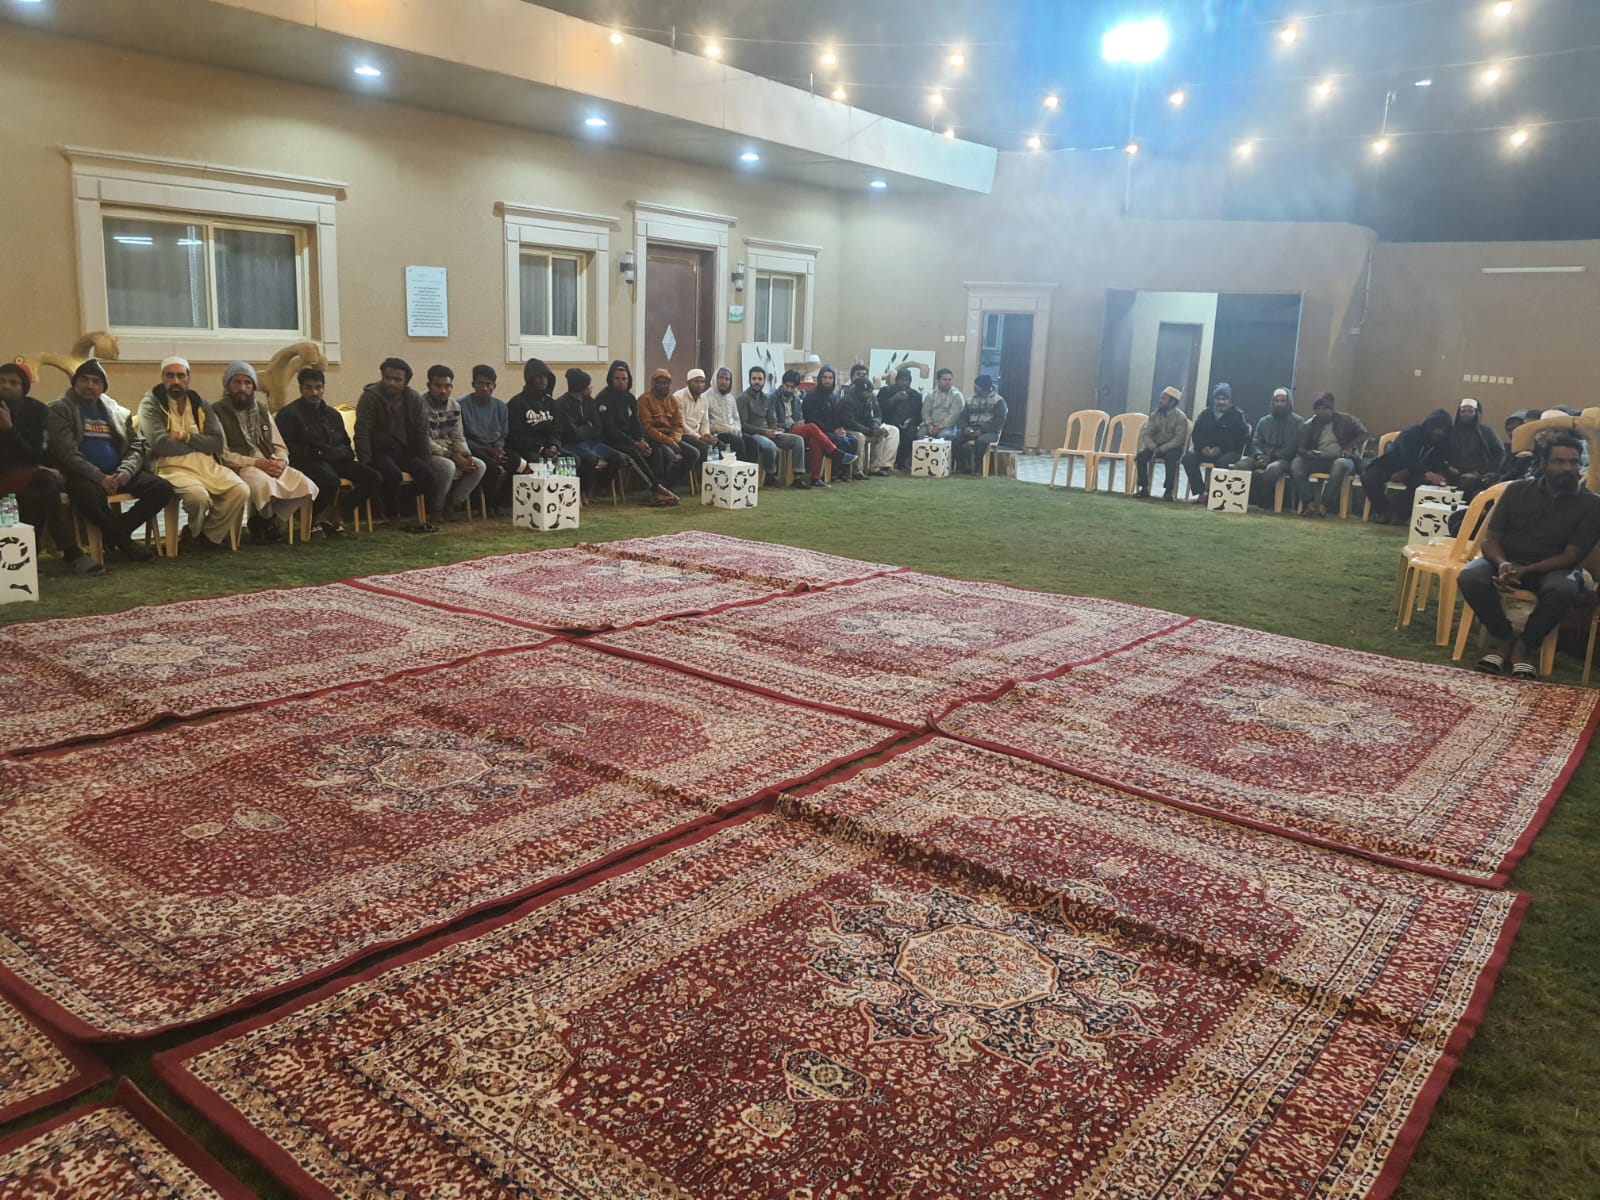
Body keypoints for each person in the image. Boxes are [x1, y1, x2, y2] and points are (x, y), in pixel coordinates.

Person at [1459, 435, 1600, 678]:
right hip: (1508, 561)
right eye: (1559, 461)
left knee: (1563, 588)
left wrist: (1526, 571)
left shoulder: (1591, 504)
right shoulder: (1516, 491)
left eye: (1573, 462)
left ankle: (1526, 645)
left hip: (1556, 568)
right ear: (1543, 463)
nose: (1567, 468)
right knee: (1470, 576)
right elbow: (1490, 539)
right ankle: (1504, 637)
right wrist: (1503, 564)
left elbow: (1572, 555)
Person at [48, 359, 171, 566]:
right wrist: (100, 477)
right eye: (84, 380)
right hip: (83, 476)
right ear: (75, 383)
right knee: (88, 495)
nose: (90, 385)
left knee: (162, 488)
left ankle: (114, 533)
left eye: (96, 381)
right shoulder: (60, 410)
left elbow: (136, 446)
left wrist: (125, 473)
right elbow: (66, 453)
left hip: (118, 473)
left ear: (103, 387)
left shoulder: (117, 412)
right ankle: (127, 544)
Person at [137, 357, 249, 552]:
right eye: (170, 376)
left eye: (181, 376)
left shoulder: (200, 403)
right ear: (163, 378)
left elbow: (216, 442)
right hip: (169, 467)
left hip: (205, 464)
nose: (176, 381)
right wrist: (199, 444)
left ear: (188, 378)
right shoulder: (150, 404)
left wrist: (184, 437)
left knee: (240, 490)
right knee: (198, 497)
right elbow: (160, 445)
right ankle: (196, 534)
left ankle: (205, 536)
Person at [0, 361, 100, 575]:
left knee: (36, 494)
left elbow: (37, 453)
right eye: (2, 381)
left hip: (28, 476)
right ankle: (70, 551)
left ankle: (28, 559)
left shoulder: (36, 410)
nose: (6, 386)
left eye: (13, 382)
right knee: (45, 480)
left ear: (24, 388)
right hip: (7, 475)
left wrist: (10, 430)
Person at [212, 362, 319, 544]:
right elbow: (224, 454)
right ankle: (266, 522)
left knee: (307, 486)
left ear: (254, 386)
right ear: (227, 386)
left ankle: (267, 522)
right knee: (264, 485)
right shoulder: (217, 412)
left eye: (247, 383)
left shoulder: (261, 410)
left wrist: (281, 462)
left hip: (269, 462)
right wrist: (256, 463)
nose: (242, 388)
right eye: (237, 382)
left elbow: (279, 445)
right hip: (241, 466)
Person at [275, 366, 380, 536]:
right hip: (306, 461)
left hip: (334, 459)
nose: (314, 393)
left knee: (374, 477)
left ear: (324, 388)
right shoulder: (288, 414)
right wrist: (320, 453)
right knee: (329, 480)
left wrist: (331, 453)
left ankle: (338, 512)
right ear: (301, 389)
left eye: (318, 387)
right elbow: (289, 449)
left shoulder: (332, 414)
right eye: (309, 388)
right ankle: (313, 519)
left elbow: (346, 446)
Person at [355, 357, 438, 530]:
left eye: (397, 379)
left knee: (428, 476)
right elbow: (362, 431)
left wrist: (425, 461)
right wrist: (365, 462)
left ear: (406, 382)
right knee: (392, 475)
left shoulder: (414, 399)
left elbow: (421, 432)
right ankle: (393, 515)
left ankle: (403, 508)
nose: (391, 383)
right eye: (387, 378)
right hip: (378, 450)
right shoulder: (370, 397)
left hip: (404, 450)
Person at [593, 360, 678, 506]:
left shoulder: (630, 398)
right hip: (609, 440)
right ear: (610, 379)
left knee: (655, 449)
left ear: (629, 380)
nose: (621, 382)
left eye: (624, 379)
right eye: (617, 378)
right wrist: (634, 443)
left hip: (630, 439)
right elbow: (610, 429)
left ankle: (656, 487)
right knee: (633, 453)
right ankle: (656, 488)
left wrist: (641, 440)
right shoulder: (603, 398)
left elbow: (636, 424)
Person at [1359, 408, 1451, 525]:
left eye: (1444, 430)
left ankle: (1400, 515)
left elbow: (1436, 462)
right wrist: (1421, 472)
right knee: (1369, 477)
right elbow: (1408, 456)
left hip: (1418, 471)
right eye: (1438, 428)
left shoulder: (1442, 441)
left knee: (1421, 484)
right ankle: (1383, 511)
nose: (1440, 432)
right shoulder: (1411, 433)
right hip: (1393, 464)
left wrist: (1423, 473)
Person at [554, 367, 628, 503]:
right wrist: (587, 427)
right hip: (570, 445)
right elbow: (571, 434)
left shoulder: (590, 402)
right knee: (590, 459)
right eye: (589, 386)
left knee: (618, 458)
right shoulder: (562, 404)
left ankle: (598, 486)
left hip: (592, 443)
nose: (591, 388)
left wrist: (584, 429)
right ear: (580, 388)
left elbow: (598, 428)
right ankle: (583, 490)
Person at [421, 365, 486, 520]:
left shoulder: (454, 406)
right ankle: (436, 509)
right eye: (438, 386)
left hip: (449, 450)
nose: (443, 390)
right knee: (447, 467)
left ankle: (453, 505)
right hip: (427, 451)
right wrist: (452, 456)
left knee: (479, 466)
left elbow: (458, 436)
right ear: (429, 386)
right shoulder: (419, 405)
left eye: (447, 386)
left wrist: (466, 456)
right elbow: (423, 440)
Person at [1291, 392, 1369, 517]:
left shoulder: (1347, 420)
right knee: (1297, 463)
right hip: (1319, 460)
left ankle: (1324, 505)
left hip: (1344, 459)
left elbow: (1364, 434)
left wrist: (1349, 448)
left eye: (1325, 408)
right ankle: (1309, 503)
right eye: (1318, 409)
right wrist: (1306, 453)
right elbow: (1300, 447)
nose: (1321, 411)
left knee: (1340, 464)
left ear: (1332, 409)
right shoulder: (1309, 425)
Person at [460, 365, 521, 516]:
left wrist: (499, 449)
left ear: (494, 386)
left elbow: (503, 434)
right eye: (480, 383)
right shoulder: (461, 405)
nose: (485, 388)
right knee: (492, 466)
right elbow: (462, 437)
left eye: (489, 384)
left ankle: (503, 501)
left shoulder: (501, 407)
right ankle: (487, 505)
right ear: (473, 384)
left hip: (495, 448)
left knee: (516, 462)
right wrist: (487, 450)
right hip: (473, 449)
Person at [738, 366, 809, 488]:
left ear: (764, 381)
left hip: (769, 432)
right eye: (754, 379)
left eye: (760, 379)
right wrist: (765, 432)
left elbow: (772, 421)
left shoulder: (766, 398)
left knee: (798, 440)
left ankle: (797, 478)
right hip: (752, 434)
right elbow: (743, 425)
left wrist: (776, 429)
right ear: (749, 380)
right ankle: (770, 476)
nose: (757, 382)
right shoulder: (743, 398)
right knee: (770, 446)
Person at [1234, 386, 1303, 508]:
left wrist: (1271, 458)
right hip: (1261, 456)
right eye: (1276, 401)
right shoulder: (1264, 421)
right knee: (1240, 466)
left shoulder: (1297, 422)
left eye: (1283, 401)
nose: (1279, 404)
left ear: (1289, 402)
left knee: (1272, 469)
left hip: (1283, 459)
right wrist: (1259, 455)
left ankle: (1264, 502)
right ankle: (1237, 501)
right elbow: (1255, 442)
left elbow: (1292, 446)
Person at [1182, 383, 1250, 502]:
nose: (1221, 402)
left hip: (1229, 452)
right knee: (1188, 458)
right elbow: (1197, 434)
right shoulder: (1205, 414)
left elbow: (1240, 439)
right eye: (1218, 399)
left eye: (1224, 399)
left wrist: (1221, 449)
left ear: (1229, 401)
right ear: (1214, 400)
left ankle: (1213, 494)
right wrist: (1203, 447)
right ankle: (1201, 492)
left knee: (1223, 463)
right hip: (1206, 451)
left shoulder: (1238, 416)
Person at [775, 370, 841, 487]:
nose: (789, 389)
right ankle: (834, 451)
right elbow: (772, 422)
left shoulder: (796, 400)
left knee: (815, 441)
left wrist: (799, 423)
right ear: (782, 383)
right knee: (811, 427)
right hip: (781, 431)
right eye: (787, 386)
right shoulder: (773, 398)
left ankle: (815, 478)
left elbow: (800, 417)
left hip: (796, 430)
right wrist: (790, 425)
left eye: (792, 387)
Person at [639, 367, 700, 486]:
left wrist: (674, 439)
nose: (663, 386)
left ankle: (670, 484)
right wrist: (669, 442)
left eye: (666, 383)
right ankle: (660, 486)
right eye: (660, 383)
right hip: (653, 438)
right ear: (653, 384)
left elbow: (678, 424)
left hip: (671, 438)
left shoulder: (672, 400)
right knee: (669, 454)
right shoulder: (644, 400)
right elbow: (647, 428)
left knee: (694, 453)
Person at [802, 365, 860, 480]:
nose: (827, 381)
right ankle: (833, 472)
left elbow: (836, 417)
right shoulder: (811, 397)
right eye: (825, 378)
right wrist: (834, 431)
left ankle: (843, 472)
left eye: (830, 378)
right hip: (817, 432)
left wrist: (840, 428)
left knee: (853, 440)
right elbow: (813, 421)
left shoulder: (833, 397)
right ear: (820, 379)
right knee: (842, 441)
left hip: (831, 431)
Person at [1440, 398, 1505, 499]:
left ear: (1476, 413)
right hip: (1450, 471)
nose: (1466, 414)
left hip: (1476, 473)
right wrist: (1447, 467)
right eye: (1463, 411)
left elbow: (1500, 453)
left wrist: (1490, 471)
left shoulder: (1486, 432)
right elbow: (1440, 453)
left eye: (1470, 411)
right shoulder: (1450, 431)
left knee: (1467, 482)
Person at [506, 358, 563, 475]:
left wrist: (553, 447)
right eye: (539, 376)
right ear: (530, 378)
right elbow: (516, 436)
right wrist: (541, 449)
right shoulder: (517, 403)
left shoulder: (552, 403)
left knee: (571, 460)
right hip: (527, 449)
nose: (543, 380)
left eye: (545, 376)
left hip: (549, 448)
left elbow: (557, 431)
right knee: (539, 463)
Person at [1134, 386, 1190, 500]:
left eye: (1163, 398)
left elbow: (1179, 439)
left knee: (1171, 457)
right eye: (1161, 398)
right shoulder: (1154, 415)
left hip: (1173, 448)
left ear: (1172, 402)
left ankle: (1168, 491)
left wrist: (1162, 449)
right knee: (1141, 456)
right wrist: (1153, 447)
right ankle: (1143, 488)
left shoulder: (1181, 418)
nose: (1160, 401)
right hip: (1155, 446)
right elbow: (1146, 433)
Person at [952, 374, 1007, 475]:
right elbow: (962, 418)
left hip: (990, 432)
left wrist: (981, 430)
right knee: (955, 440)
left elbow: (999, 422)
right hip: (971, 429)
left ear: (984, 387)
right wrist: (965, 428)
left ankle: (979, 469)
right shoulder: (970, 400)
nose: (974, 388)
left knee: (981, 441)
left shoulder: (998, 401)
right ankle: (964, 467)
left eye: (976, 386)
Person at [844, 371, 897, 476]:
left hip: (862, 428)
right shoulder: (847, 400)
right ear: (860, 391)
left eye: (870, 392)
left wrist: (875, 429)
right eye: (867, 392)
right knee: (860, 437)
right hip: (847, 429)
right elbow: (850, 423)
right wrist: (870, 431)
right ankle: (857, 470)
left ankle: (874, 468)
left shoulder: (867, 400)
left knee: (880, 434)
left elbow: (871, 418)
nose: (870, 394)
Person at [879, 368, 923, 471]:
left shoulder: (915, 395)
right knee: (893, 432)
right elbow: (880, 408)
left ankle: (903, 464)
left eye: (906, 380)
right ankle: (888, 464)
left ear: (910, 382)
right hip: (889, 423)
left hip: (908, 425)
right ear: (896, 380)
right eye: (901, 380)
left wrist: (910, 421)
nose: (904, 383)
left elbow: (919, 415)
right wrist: (894, 398)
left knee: (911, 434)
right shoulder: (885, 391)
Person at [671, 369, 716, 466]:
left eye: (702, 382)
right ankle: (701, 474)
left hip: (698, 435)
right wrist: (700, 437)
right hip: (682, 435)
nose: (700, 385)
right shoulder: (678, 397)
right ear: (688, 383)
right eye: (696, 381)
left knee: (719, 446)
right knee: (703, 447)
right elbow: (681, 423)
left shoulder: (704, 399)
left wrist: (706, 434)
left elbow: (705, 421)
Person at [705, 367, 748, 463]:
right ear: (715, 379)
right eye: (721, 378)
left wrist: (736, 429)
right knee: (738, 443)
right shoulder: (706, 397)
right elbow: (705, 423)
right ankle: (737, 470)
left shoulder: (731, 397)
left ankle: (749, 471)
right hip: (717, 433)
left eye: (727, 379)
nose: (724, 381)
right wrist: (724, 428)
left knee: (752, 443)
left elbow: (736, 418)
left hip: (733, 432)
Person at [922, 367, 965, 441]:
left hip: (948, 427)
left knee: (942, 436)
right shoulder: (930, 395)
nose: (947, 382)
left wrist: (939, 427)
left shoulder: (957, 395)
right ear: (938, 381)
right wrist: (930, 425)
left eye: (950, 380)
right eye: (945, 380)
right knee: (921, 434)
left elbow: (953, 416)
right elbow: (925, 412)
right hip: (931, 425)